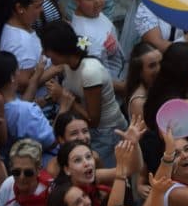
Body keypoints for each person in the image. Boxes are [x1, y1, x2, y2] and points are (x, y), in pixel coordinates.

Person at [38, 22, 124, 166]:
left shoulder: (89, 72)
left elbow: (93, 120)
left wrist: (61, 96)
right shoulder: (67, 65)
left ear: (59, 49)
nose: (45, 54)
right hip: (87, 130)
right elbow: (74, 94)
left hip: (106, 133)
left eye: (47, 49)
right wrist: (47, 99)